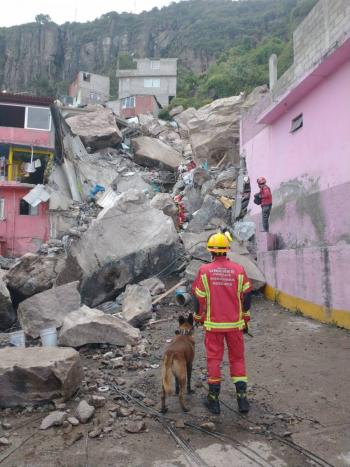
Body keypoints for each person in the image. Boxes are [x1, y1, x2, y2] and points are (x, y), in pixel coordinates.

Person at [192, 232, 252, 415]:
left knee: (214, 360)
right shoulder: (239, 270)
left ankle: (214, 401)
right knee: (237, 359)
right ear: (227, 250)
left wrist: (197, 316)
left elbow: (198, 297)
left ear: (211, 251)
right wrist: (245, 316)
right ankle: (242, 400)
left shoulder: (204, 270)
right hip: (235, 324)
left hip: (213, 326)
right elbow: (247, 294)